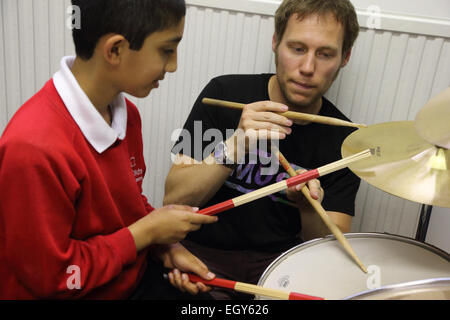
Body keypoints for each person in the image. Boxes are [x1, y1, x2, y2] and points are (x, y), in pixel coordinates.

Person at [0, 0, 218, 299]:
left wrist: (164, 246)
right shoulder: (34, 148)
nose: (173, 66)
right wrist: (147, 233)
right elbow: (53, 278)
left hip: (128, 274)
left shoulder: (126, 113)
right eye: (167, 50)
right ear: (115, 50)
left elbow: (128, 206)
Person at [164, 0, 361, 299]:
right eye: (297, 48)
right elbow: (174, 198)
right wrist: (236, 144)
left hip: (281, 268)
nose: (307, 68)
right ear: (275, 42)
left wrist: (308, 204)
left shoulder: (347, 140)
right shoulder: (224, 94)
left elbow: (330, 250)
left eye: (325, 54)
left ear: (344, 57)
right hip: (202, 256)